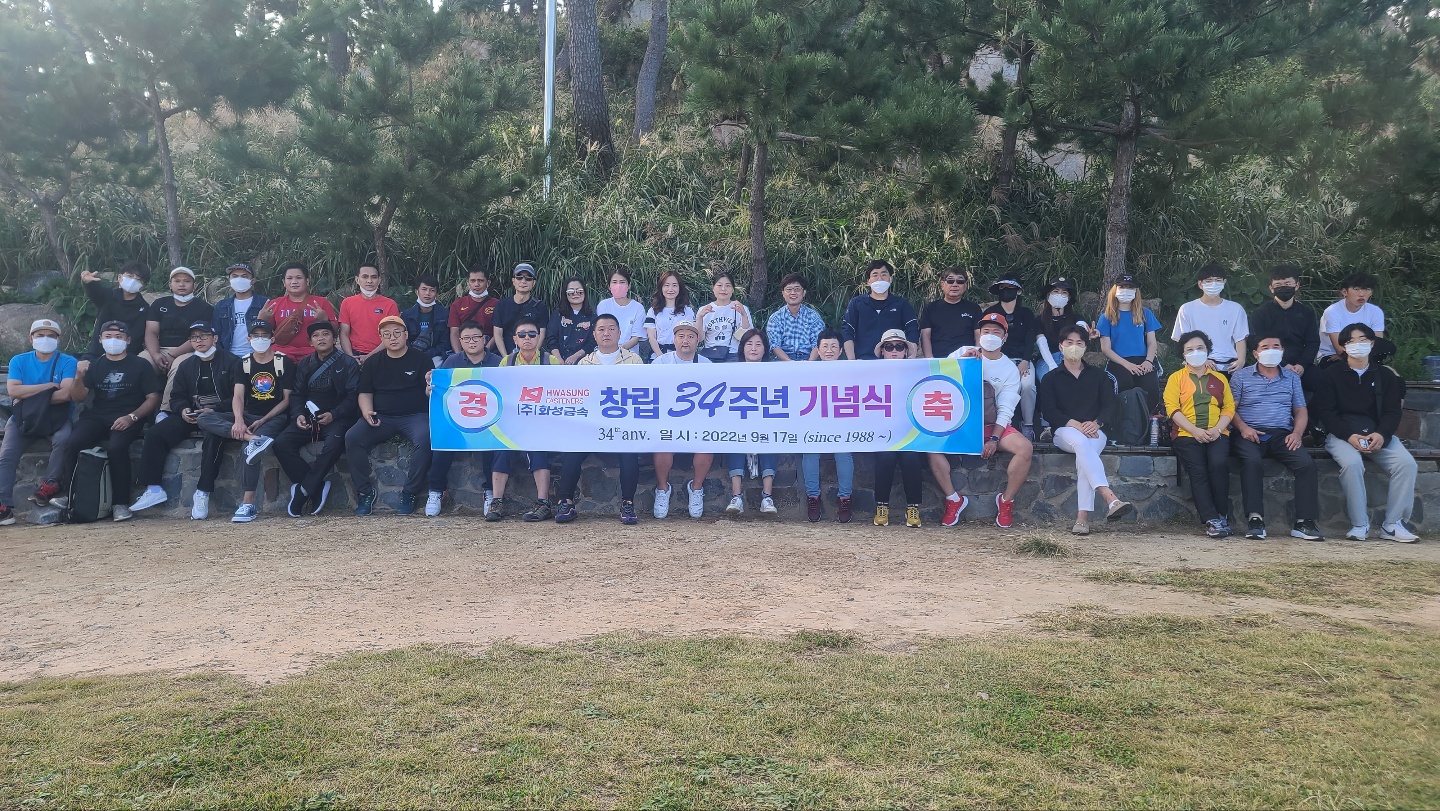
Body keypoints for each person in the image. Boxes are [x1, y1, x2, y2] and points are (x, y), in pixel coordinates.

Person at [1310, 323, 1418, 542]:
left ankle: (1393, 524)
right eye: (1351, 341)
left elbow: (1392, 412)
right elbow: (1327, 413)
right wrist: (1349, 436)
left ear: (1372, 343)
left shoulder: (1385, 376)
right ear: (1343, 346)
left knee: (1407, 464)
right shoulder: (1331, 375)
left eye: (1363, 340)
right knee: (1351, 464)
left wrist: (1381, 434)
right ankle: (1359, 524)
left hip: (1378, 433)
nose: (1357, 345)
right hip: (1342, 435)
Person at [128, 322, 238, 518]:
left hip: (219, 415)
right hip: (192, 415)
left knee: (213, 437)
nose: (199, 340)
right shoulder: (186, 365)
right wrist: (183, 410)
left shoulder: (231, 362)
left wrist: (214, 410)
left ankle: (203, 492)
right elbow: (176, 396)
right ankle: (153, 488)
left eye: (203, 336)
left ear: (215, 338)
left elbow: (238, 397)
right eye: (194, 337)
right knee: (155, 433)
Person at [53, 320, 161, 521]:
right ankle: (70, 494)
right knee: (74, 442)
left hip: (129, 415)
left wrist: (132, 417)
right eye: (108, 337)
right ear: (101, 339)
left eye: (119, 337)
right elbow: (78, 397)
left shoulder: (140, 364)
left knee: (117, 448)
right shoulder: (94, 365)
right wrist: (78, 376)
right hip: (97, 415)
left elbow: (152, 397)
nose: (113, 341)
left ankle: (120, 503)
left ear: (128, 340)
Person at [940, 312, 1035, 529]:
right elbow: (940, 379)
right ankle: (953, 499)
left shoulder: (1009, 369)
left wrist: (994, 439)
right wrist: (961, 363)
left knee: (1025, 448)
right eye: (986, 331)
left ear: (1005, 337)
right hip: (959, 424)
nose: (990, 335)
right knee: (929, 447)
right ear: (979, 334)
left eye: (996, 332)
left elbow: (1006, 408)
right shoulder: (963, 353)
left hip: (989, 425)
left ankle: (1006, 500)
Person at [1038, 325, 1134, 535]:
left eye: (1079, 343)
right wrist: (1076, 424)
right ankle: (1109, 496)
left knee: (1086, 453)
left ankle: (1082, 519)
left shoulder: (1099, 376)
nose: (1074, 347)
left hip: (1095, 431)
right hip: (1064, 431)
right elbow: (1049, 411)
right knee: (1081, 442)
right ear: (1061, 346)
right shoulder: (1050, 378)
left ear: (1085, 347)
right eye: (1069, 343)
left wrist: (1097, 422)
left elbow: (1110, 406)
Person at [196, 320, 293, 522]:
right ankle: (253, 439)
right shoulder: (243, 363)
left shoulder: (283, 362)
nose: (260, 339)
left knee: (249, 450)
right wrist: (239, 421)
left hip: (274, 417)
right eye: (255, 335)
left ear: (272, 338)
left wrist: (263, 420)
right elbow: (238, 396)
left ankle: (248, 504)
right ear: (248, 339)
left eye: (264, 335)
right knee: (205, 417)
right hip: (248, 415)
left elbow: (286, 400)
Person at [553, 314, 644, 524]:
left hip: (623, 424)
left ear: (619, 333)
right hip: (591, 426)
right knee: (572, 451)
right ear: (594, 335)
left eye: (611, 329)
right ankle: (566, 502)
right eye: (601, 329)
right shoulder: (585, 363)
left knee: (629, 453)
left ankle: (628, 504)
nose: (606, 333)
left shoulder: (634, 360)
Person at [1229, 335, 1323, 541]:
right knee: (1252, 462)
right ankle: (1255, 519)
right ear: (1255, 354)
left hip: (1282, 434)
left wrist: (1297, 433)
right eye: (1265, 347)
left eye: (1276, 346)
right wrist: (1243, 428)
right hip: (1248, 433)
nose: (1271, 350)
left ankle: (1304, 522)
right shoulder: (1240, 376)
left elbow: (1300, 410)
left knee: (1306, 465)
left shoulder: (1292, 378)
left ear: (1282, 351)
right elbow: (1230, 409)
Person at [347, 315, 434, 517]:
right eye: (386, 334)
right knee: (352, 437)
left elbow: (429, 389)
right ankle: (365, 492)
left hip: (414, 415)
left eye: (397, 333)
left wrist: (430, 389)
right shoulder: (373, 362)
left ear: (406, 335)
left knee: (426, 438)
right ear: (381, 338)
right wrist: (367, 411)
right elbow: (365, 392)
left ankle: (410, 493)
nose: (392, 337)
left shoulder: (421, 359)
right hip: (382, 416)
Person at [274, 321, 361, 517]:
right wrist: (298, 415)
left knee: (335, 443)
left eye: (325, 334)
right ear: (310, 342)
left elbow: (353, 396)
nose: (321, 338)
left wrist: (334, 414)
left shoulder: (348, 363)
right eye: (316, 336)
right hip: (309, 416)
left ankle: (303, 491)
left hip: (337, 416)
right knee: (281, 443)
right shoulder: (305, 364)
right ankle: (315, 486)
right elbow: (297, 394)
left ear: (335, 339)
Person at [0, 319, 78, 523]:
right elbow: (13, 390)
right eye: (40, 335)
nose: (45, 339)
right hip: (24, 417)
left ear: (58, 339)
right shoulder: (19, 360)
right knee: (7, 454)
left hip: (56, 417)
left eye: (51, 336)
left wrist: (28, 395)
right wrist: (50, 386)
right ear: (31, 338)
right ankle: (3, 505)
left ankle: (50, 485)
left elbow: (66, 394)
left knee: (64, 440)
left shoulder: (68, 361)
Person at [1164, 331, 1236, 538]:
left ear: (1208, 350)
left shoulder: (1220, 378)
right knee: (1198, 470)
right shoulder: (1176, 378)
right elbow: (1172, 409)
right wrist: (1195, 431)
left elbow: (1229, 408)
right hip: (1186, 434)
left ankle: (1221, 515)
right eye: (1190, 350)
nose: (1195, 352)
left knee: (1219, 465)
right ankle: (1211, 520)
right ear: (1183, 354)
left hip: (1217, 432)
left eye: (1200, 348)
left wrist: (1217, 430)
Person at [425, 321, 499, 517]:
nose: (472, 342)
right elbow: (439, 393)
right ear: (460, 341)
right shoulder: (451, 362)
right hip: (457, 419)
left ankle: (490, 492)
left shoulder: (498, 362)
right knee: (443, 440)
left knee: (493, 443)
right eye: (467, 338)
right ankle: (436, 491)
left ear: (484, 339)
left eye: (476, 337)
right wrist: (430, 390)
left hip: (490, 420)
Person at [486, 318, 554, 521]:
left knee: (537, 447)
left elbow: (560, 391)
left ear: (539, 337)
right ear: (514, 339)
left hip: (542, 420)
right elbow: (498, 391)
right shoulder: (506, 362)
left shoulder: (550, 361)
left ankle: (543, 503)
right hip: (513, 420)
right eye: (522, 334)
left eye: (532, 334)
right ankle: (496, 502)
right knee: (502, 448)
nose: (527, 338)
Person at [650, 319, 714, 518]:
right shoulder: (661, 362)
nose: (685, 340)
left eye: (690, 336)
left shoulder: (707, 364)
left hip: (698, 419)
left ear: (697, 340)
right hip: (667, 418)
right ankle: (662, 489)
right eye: (681, 336)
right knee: (663, 443)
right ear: (674, 339)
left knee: (707, 443)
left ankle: (696, 488)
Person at [870, 330, 926, 527]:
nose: (894, 351)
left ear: (905, 351)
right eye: (889, 347)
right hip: (883, 432)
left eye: (899, 346)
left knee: (911, 458)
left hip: (909, 432)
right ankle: (881, 506)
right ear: (882, 351)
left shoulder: (917, 371)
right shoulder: (869, 372)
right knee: (885, 457)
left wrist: (966, 355)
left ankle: (913, 508)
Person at [724, 330, 778, 516]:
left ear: (765, 349)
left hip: (766, 421)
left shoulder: (775, 372)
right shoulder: (730, 371)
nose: (753, 348)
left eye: (758, 344)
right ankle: (736, 497)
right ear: (742, 348)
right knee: (734, 438)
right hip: (739, 421)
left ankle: (767, 497)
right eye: (749, 344)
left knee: (770, 437)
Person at [802, 330, 855, 522]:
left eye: (833, 346)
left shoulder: (851, 372)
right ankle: (813, 497)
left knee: (844, 453)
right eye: (825, 346)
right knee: (810, 452)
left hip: (841, 424)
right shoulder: (806, 372)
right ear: (818, 350)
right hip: (814, 423)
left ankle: (845, 499)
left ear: (841, 351)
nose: (829, 350)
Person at [1096, 273, 1162, 409]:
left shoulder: (1145, 313)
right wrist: (1127, 365)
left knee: (1150, 388)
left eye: (1130, 287)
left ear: (1136, 291)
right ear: (1115, 290)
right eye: (1122, 287)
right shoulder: (1106, 317)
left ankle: (1148, 417)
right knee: (1125, 384)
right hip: (1119, 361)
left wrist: (1148, 361)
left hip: (1143, 360)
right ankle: (1124, 417)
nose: (1126, 290)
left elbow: (1152, 342)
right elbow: (1106, 348)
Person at [984, 277, 1039, 438]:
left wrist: (1025, 360)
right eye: (1003, 288)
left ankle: (1028, 425)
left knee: (1028, 386)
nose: (1006, 291)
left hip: (1022, 359)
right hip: (999, 361)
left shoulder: (1026, 314)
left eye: (1010, 287)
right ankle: (996, 424)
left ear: (1018, 291)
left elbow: (1030, 339)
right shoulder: (990, 313)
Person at [1248, 264, 1320, 383]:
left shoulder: (1307, 312)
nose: (1283, 288)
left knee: (1320, 379)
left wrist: (1302, 365)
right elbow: (1255, 342)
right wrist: (1283, 365)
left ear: (1296, 286)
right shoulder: (1260, 313)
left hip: (1301, 364)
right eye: (1278, 285)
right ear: (1271, 288)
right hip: (1270, 363)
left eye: (1287, 284)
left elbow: (1313, 342)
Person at [1171, 264, 1248, 374]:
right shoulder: (1187, 309)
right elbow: (1184, 340)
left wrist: (1241, 360)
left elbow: (1240, 338)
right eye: (1209, 281)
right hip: (1198, 363)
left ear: (1224, 282)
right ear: (1200, 284)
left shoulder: (1236, 309)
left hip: (1229, 365)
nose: (1213, 284)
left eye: (1218, 280)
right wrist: (1202, 360)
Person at [143, 266, 214, 381]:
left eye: (187, 281)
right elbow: (151, 332)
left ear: (194, 285)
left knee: (179, 369)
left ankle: (169, 394)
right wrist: (156, 355)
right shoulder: (159, 304)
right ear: (170, 284)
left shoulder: (204, 308)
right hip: (159, 348)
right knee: (141, 364)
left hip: (189, 351)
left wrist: (173, 354)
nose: (181, 284)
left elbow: (200, 337)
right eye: (177, 281)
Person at [258, 262, 337, 361]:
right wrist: (261, 320)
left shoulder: (321, 302)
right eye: (289, 278)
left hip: (315, 355)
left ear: (307, 281)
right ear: (284, 282)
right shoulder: (275, 304)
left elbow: (335, 332)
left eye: (299, 278)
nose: (294, 282)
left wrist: (325, 320)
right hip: (282, 355)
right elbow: (261, 335)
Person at [842, 259, 919, 360]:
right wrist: (852, 360)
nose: (880, 278)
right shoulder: (857, 303)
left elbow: (912, 329)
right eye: (875, 275)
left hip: (894, 362)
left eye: (884, 274)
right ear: (868, 281)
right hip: (863, 361)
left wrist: (911, 356)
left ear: (890, 278)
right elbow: (847, 331)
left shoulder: (901, 304)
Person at [81, 261, 150, 358]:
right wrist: (89, 283)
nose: (133, 281)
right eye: (130, 276)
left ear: (143, 286)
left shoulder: (144, 309)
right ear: (119, 277)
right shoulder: (107, 296)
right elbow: (95, 293)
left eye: (138, 279)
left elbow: (137, 337)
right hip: (97, 354)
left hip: (128, 357)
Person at [1319, 272, 1386, 363]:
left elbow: (1377, 343)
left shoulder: (1376, 311)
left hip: (1367, 355)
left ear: (1371, 292)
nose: (1362, 294)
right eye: (1357, 289)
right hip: (1333, 356)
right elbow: (1339, 349)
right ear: (1344, 292)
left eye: (1367, 289)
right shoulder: (1332, 312)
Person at [338, 263, 400, 361]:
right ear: (357, 280)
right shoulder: (347, 303)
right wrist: (351, 357)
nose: (369, 281)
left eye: (374, 277)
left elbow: (391, 335)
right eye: (365, 277)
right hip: (354, 355)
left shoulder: (390, 304)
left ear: (379, 280)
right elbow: (344, 333)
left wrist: (369, 357)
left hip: (382, 354)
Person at [920, 266, 982, 359]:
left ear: (965, 286)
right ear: (942, 284)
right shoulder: (930, 308)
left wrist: (976, 355)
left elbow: (979, 334)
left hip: (966, 358)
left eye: (960, 281)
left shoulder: (974, 308)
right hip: (939, 359)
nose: (955, 285)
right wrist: (930, 359)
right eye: (950, 281)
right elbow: (925, 335)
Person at [1035, 277, 1092, 377]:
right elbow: (1041, 343)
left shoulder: (1076, 318)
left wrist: (1086, 333)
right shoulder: (1039, 320)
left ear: (1069, 298)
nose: (1059, 295)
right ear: (1048, 295)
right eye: (1056, 291)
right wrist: (1052, 366)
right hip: (1046, 361)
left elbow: (1081, 328)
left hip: (1071, 360)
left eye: (1064, 293)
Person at [492, 262, 550, 356]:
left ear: (533, 283)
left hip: (531, 357)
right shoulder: (502, 305)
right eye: (519, 277)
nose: (523, 281)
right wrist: (506, 358)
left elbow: (541, 335)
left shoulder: (540, 307)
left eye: (528, 278)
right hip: (504, 355)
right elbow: (497, 334)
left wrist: (531, 356)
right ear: (513, 281)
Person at [212, 263, 269, 358]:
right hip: (228, 356)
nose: (239, 279)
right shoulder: (221, 306)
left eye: (244, 276)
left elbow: (272, 332)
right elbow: (216, 334)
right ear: (229, 279)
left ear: (253, 280)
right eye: (235, 276)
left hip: (257, 355)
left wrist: (260, 320)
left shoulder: (264, 303)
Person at [765, 273, 826, 362]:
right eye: (788, 289)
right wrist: (790, 362)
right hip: (783, 361)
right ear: (783, 293)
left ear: (804, 292)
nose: (793, 293)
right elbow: (775, 345)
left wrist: (810, 363)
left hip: (809, 359)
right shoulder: (775, 318)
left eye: (797, 289)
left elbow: (817, 343)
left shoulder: (813, 316)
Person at [696, 273, 754, 362]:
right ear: (713, 288)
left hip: (734, 354)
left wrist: (743, 315)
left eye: (728, 286)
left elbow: (747, 337)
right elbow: (700, 339)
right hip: (710, 354)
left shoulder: (741, 308)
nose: (723, 289)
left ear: (733, 289)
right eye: (719, 285)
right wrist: (700, 318)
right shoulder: (704, 310)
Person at [448, 264, 498, 356]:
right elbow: (454, 333)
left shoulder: (497, 304)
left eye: (480, 281)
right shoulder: (457, 305)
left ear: (488, 283)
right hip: (464, 349)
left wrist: (486, 351)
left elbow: (498, 333)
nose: (476, 284)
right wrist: (459, 355)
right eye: (473, 281)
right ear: (468, 283)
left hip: (490, 350)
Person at [644, 270, 696, 357]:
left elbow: (691, 335)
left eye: (674, 285)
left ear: (680, 288)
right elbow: (651, 337)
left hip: (682, 356)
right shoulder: (653, 311)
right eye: (666, 285)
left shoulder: (687, 311)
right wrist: (661, 356)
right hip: (658, 355)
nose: (670, 289)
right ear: (661, 287)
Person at [401, 275, 450, 366]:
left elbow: (445, 342)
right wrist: (414, 354)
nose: (428, 293)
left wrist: (429, 354)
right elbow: (404, 339)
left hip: (436, 357)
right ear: (417, 292)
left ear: (436, 294)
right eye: (424, 289)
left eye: (432, 290)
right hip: (411, 356)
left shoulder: (445, 314)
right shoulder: (406, 315)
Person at [547, 276, 597, 364]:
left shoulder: (592, 316)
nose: (575, 294)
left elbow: (593, 341)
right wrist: (558, 359)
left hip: (585, 362)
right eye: (571, 292)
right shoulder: (558, 314)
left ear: (585, 293)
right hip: (559, 362)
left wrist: (576, 356)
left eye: (579, 291)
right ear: (565, 294)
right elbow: (551, 338)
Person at [596, 268, 647, 353]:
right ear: (609, 286)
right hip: (606, 353)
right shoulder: (603, 305)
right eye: (614, 282)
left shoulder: (638, 308)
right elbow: (601, 331)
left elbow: (636, 336)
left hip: (630, 355)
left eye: (622, 282)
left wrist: (619, 351)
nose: (618, 285)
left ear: (629, 285)